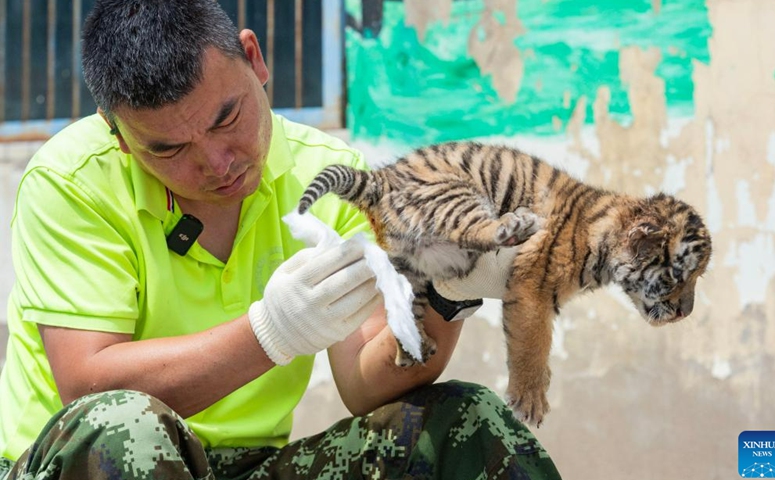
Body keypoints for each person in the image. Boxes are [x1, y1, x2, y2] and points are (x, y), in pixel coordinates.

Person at [0, 1, 561, 478]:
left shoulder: (333, 176)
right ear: (117, 134)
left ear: (254, 59)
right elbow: (89, 383)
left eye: (227, 119)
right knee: (125, 424)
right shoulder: (71, 181)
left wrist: (446, 294)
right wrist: (271, 333)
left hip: (251, 465)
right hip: (84, 463)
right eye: (168, 150)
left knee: (468, 423)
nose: (218, 164)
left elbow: (366, 385)